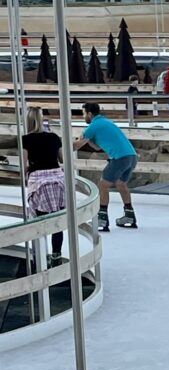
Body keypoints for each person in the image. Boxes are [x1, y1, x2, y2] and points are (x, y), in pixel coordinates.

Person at [74, 102, 138, 232]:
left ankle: (102, 218)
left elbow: (76, 146)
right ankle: (129, 215)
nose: (83, 117)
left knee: (103, 185)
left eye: (84, 114)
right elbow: (97, 147)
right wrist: (90, 141)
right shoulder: (105, 122)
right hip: (131, 156)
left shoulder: (93, 126)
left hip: (119, 158)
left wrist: (60, 146)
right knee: (121, 184)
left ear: (90, 114)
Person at [22, 106, 64, 268]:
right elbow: (61, 159)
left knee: (39, 221)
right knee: (56, 221)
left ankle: (40, 257)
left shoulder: (26, 139)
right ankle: (56, 255)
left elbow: (24, 163)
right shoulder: (54, 137)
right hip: (57, 181)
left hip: (39, 182)